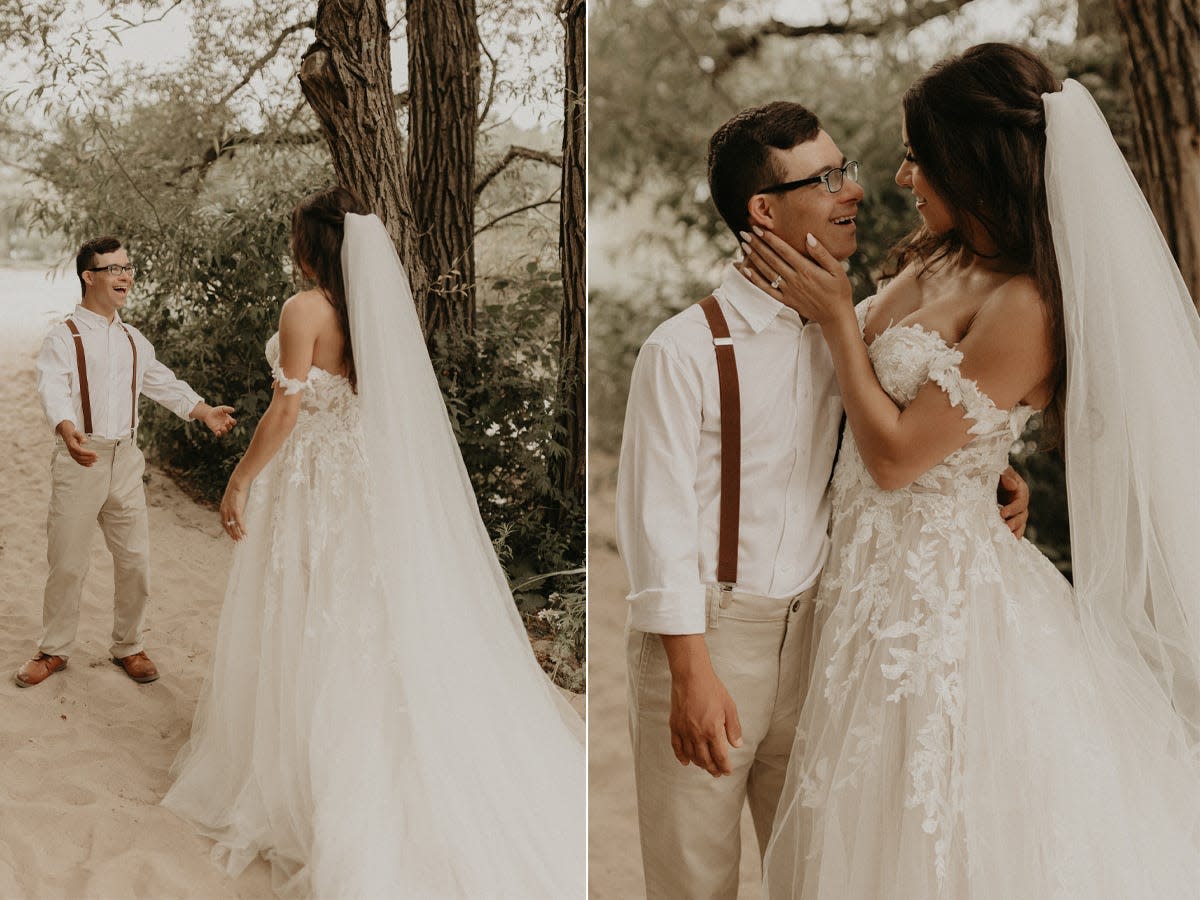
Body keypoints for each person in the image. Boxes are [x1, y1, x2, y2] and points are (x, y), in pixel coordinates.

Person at [738, 43, 1200, 899]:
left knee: (933, 825)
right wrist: (985, 463)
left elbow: (896, 457)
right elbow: (889, 406)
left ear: (972, 161)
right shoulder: (938, 255)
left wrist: (840, 319)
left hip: (939, 609)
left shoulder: (1026, 303)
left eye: (921, 155)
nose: (906, 174)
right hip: (863, 585)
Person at [615, 103, 1030, 899]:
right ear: (764, 211)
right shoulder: (683, 350)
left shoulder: (854, 326)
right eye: (827, 178)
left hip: (824, 639)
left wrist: (995, 468)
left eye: (847, 170)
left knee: (814, 872)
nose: (856, 191)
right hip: (714, 639)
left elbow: (915, 420)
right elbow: (656, 524)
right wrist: (690, 672)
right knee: (693, 877)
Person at [161, 187, 585, 899]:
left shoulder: (305, 308)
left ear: (313, 243)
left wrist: (238, 478)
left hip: (314, 479)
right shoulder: (369, 313)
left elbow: (288, 406)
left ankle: (314, 768)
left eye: (297, 236)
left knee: (308, 602)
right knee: (361, 605)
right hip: (362, 477)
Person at [18, 236, 236, 688]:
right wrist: (66, 428)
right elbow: (52, 388)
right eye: (114, 268)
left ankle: (128, 646)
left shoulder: (134, 339)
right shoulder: (64, 337)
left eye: (128, 267)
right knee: (68, 562)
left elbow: (162, 383)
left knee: (135, 560)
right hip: (81, 458)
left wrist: (204, 411)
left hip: (126, 459)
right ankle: (54, 649)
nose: (125, 275)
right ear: (89, 277)